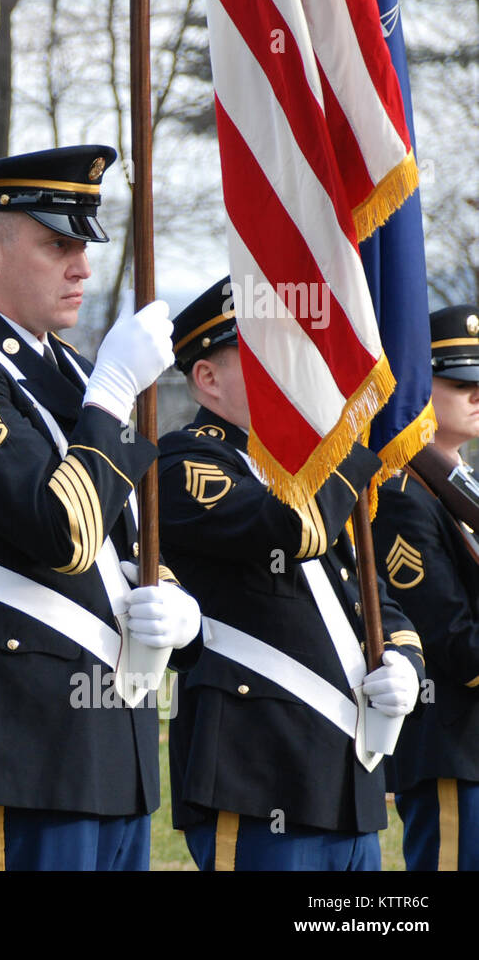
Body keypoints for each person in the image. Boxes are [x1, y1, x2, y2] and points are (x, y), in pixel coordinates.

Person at [0, 146, 202, 870]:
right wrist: (115, 394)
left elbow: (121, 540)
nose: (83, 267)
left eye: (84, 245)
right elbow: (61, 531)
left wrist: (176, 606)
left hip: (113, 739)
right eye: (58, 244)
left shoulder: (72, 371)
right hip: (23, 737)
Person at [158, 277, 426, 870]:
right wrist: (355, 440)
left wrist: (405, 661)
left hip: (345, 784)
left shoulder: (313, 475)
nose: (297, 371)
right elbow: (288, 531)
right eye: (268, 356)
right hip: (257, 776)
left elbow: (372, 595)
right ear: (208, 379)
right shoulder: (186, 462)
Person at [371, 303, 479, 871]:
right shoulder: (404, 498)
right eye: (462, 382)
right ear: (416, 387)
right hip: (452, 748)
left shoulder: (464, 490)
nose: (478, 394)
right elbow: (449, 639)